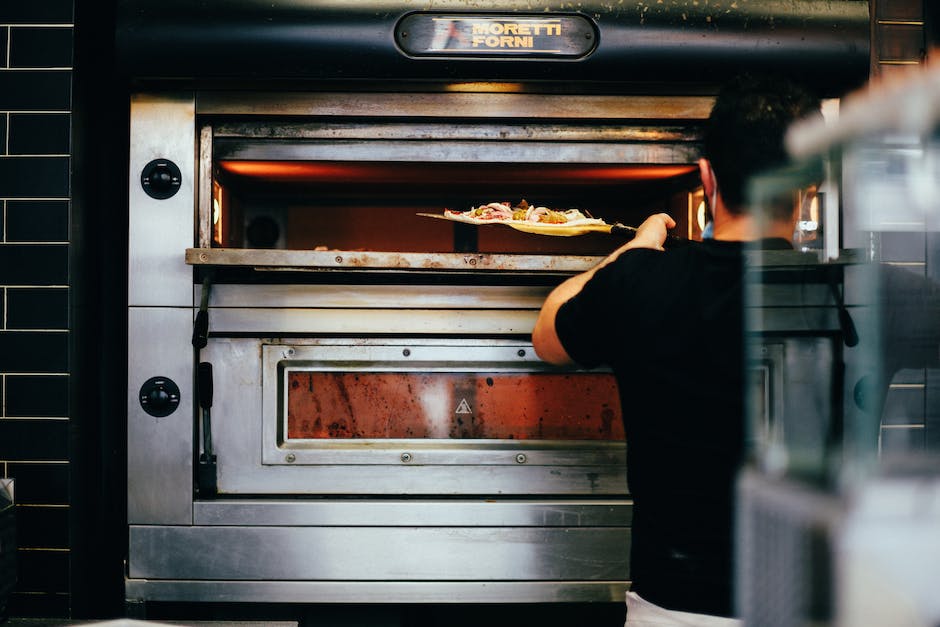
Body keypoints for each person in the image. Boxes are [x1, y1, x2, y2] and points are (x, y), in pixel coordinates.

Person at [531, 74, 823, 625]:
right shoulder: (849, 290)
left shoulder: (642, 281)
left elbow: (547, 335)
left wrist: (632, 253)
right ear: (809, 184)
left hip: (673, 611)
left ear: (707, 178)